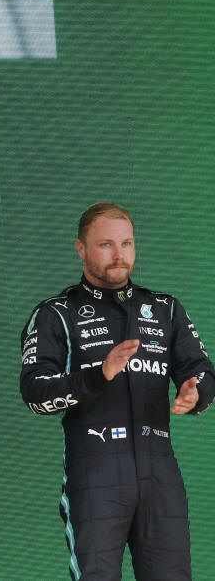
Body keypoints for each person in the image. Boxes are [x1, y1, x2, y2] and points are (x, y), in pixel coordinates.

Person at [20, 202, 214, 579]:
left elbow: (202, 371)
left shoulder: (165, 309)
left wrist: (196, 393)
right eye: (106, 244)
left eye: (126, 244)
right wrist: (99, 375)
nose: (119, 255)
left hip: (160, 472)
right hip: (94, 472)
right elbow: (34, 392)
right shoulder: (56, 313)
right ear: (81, 249)